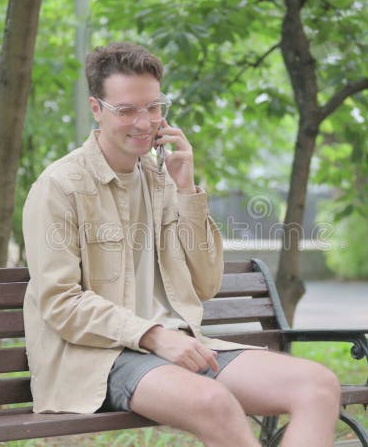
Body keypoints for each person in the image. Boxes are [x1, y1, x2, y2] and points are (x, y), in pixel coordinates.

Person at [22, 42, 341, 447]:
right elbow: (60, 303)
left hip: (182, 343)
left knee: (318, 386)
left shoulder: (162, 179)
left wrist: (187, 190)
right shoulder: (59, 187)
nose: (144, 122)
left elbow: (206, 284)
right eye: (127, 110)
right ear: (97, 108)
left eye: (153, 108)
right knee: (215, 403)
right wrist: (154, 335)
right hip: (99, 358)